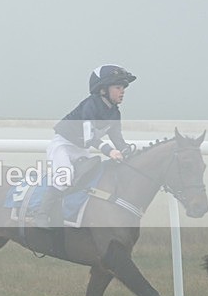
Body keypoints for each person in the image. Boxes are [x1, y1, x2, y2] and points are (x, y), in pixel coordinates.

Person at [34, 64, 136, 228]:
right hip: (63, 145)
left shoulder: (115, 112)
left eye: (123, 87)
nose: (122, 91)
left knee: (94, 177)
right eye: (118, 87)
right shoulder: (91, 105)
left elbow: (117, 138)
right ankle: (41, 214)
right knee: (64, 177)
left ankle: (74, 212)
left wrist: (126, 150)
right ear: (103, 89)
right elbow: (90, 139)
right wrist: (109, 151)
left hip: (80, 149)